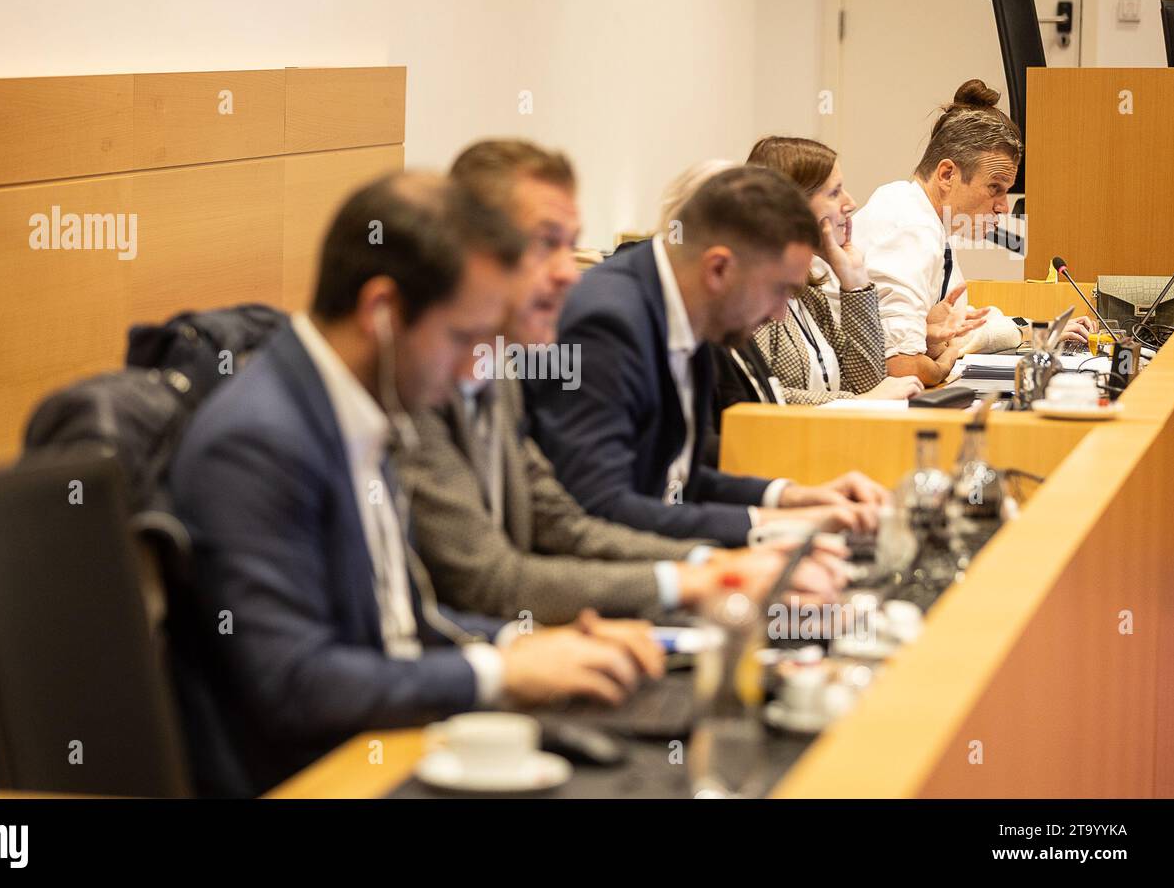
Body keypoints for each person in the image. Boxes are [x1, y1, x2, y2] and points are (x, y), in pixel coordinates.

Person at [169, 172, 662, 796]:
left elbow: (401, 626)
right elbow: (294, 684)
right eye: (462, 338)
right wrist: (498, 671)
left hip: (394, 741)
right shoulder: (260, 440)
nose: (469, 370)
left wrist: (531, 642)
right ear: (381, 311)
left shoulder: (361, 406)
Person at [397, 140, 849, 626]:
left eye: (570, 246)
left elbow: (565, 521)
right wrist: (717, 567)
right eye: (546, 245)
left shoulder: (497, 367)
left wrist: (720, 560)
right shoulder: (425, 379)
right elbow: (499, 573)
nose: (570, 274)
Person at [525, 164, 889, 549]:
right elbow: (602, 508)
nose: (780, 313)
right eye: (780, 290)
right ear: (718, 269)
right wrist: (780, 526)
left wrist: (793, 497)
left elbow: (678, 481)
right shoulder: (607, 321)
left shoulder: (691, 310)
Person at [857, 79, 1094, 387]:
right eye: (995, 188)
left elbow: (955, 329)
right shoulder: (908, 228)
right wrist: (943, 364)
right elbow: (902, 367)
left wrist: (1036, 332)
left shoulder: (923, 217)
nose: (1003, 208)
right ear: (946, 174)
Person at [743, 137, 923, 405]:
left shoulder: (808, 294)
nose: (850, 202)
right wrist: (857, 404)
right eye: (834, 192)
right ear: (793, 206)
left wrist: (855, 281)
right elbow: (760, 396)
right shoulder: (750, 296)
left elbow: (868, 381)